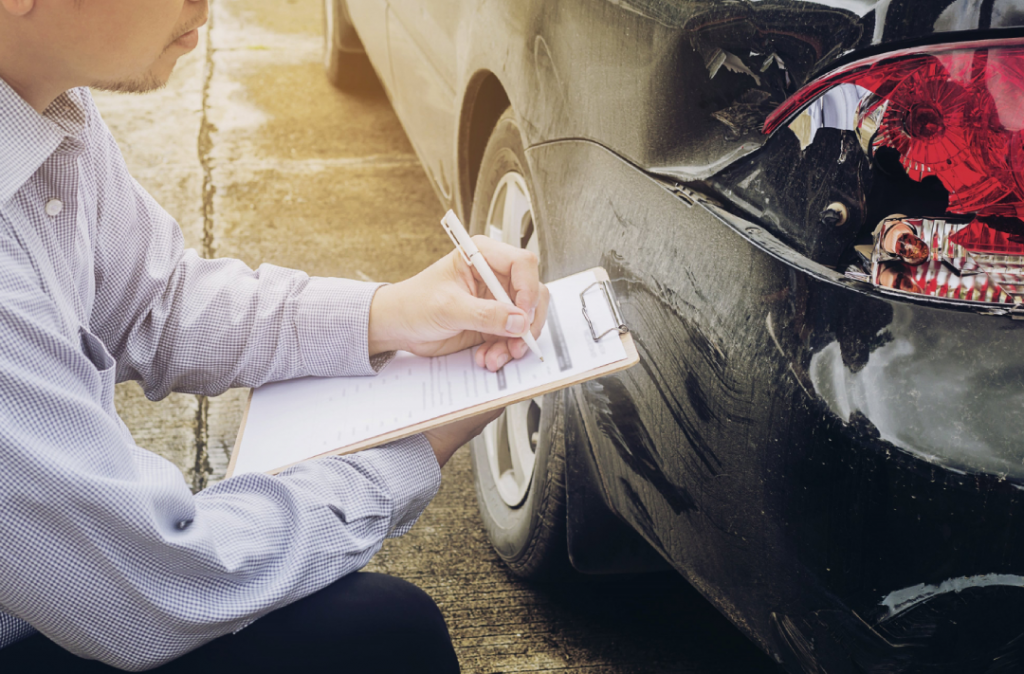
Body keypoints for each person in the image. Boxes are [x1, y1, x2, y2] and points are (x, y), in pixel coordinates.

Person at [0, 0, 549, 670]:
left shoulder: (47, 107)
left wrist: (389, 314)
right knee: (385, 637)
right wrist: (408, 451)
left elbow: (155, 302)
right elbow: (156, 584)